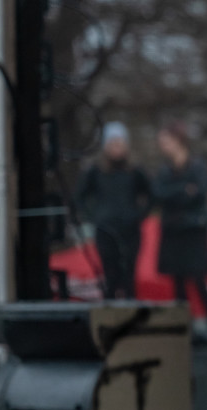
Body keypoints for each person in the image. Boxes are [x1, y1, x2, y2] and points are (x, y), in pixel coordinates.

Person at [153, 121, 207, 342]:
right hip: (174, 233)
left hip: (193, 232)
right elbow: (159, 194)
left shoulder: (197, 166)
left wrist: (176, 194)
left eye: (166, 141)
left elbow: (199, 192)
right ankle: (184, 327)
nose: (163, 146)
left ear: (178, 141)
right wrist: (183, 190)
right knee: (178, 283)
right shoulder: (165, 170)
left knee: (199, 280)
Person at [75, 121, 152, 299]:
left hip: (130, 230)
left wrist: (139, 215)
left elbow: (151, 194)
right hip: (105, 230)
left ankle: (130, 309)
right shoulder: (96, 171)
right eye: (113, 143)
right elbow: (80, 197)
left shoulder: (135, 171)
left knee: (129, 276)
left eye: (120, 143)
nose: (117, 147)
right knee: (110, 275)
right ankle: (110, 309)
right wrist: (93, 217)